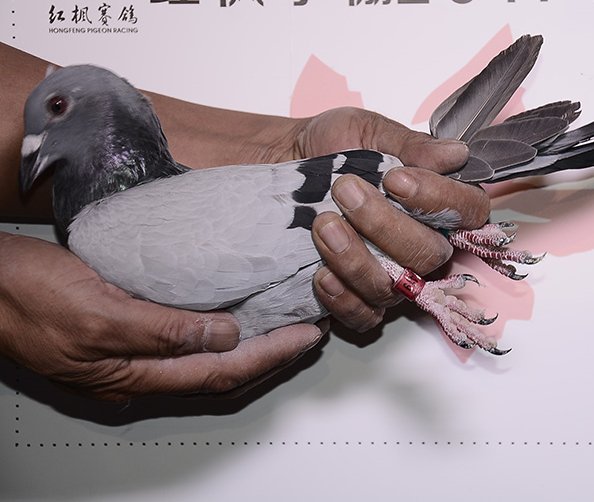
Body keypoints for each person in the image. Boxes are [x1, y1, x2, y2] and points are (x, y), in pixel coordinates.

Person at [0, 42, 490, 401]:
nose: (33, 143)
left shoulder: (102, 233)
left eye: (57, 110)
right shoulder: (127, 219)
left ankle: (425, 242)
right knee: (357, 248)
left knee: (360, 240)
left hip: (326, 207)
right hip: (318, 211)